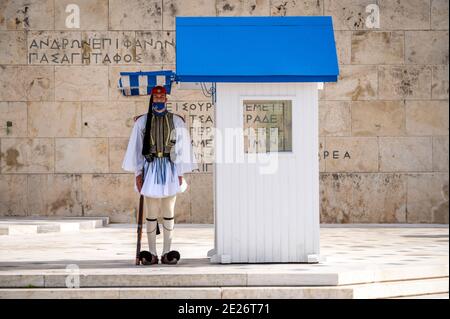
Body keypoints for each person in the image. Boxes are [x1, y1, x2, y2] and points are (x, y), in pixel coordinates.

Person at [122, 85, 197, 265]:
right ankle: (152, 253)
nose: (159, 100)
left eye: (162, 97)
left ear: (166, 99)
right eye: (155, 98)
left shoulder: (176, 121)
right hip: (150, 169)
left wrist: (180, 172)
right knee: (152, 211)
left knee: (169, 211)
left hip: (170, 169)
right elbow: (137, 149)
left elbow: (181, 149)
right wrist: (138, 173)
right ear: (151, 99)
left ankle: (166, 252)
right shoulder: (142, 122)